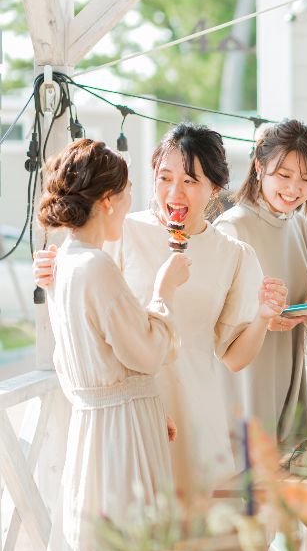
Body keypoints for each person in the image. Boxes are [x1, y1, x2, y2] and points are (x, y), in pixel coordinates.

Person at [35, 123, 288, 500]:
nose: (174, 192)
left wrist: (264, 318)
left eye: (190, 181)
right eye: (164, 177)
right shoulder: (121, 231)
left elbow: (234, 357)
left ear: (214, 188)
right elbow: (88, 299)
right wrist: (54, 269)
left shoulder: (234, 255)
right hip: (129, 415)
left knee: (200, 541)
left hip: (199, 417)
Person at [37, 139, 188, 551]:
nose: (129, 203)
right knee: (131, 540)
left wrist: (145, 403)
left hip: (98, 427)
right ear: (107, 200)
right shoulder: (96, 266)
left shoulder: (65, 264)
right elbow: (145, 350)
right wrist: (164, 291)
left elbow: (95, 358)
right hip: (122, 432)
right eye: (126, 195)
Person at [214, 119, 307, 447]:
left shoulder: (299, 225)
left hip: (288, 373)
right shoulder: (231, 228)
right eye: (285, 175)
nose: (294, 189)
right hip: (246, 378)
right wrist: (260, 318)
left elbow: (294, 296)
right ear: (259, 167)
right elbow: (212, 319)